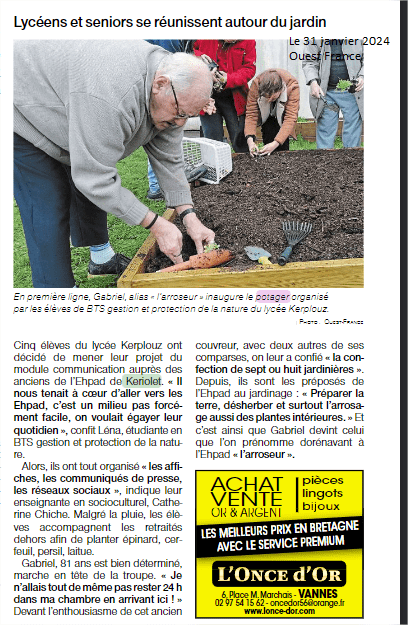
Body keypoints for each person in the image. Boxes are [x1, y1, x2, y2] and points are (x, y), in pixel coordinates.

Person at [14, 41, 215, 288]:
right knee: (47, 203)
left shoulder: (173, 95)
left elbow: (170, 160)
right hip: (24, 108)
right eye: (179, 112)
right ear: (159, 84)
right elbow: (95, 178)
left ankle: (100, 261)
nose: (180, 122)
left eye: (187, 115)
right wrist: (156, 224)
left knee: (92, 166)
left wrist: (188, 215)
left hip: (74, 99)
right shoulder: (109, 96)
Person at [144, 40, 208, 201]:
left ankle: (163, 185)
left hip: (158, 87)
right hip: (157, 92)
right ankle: (157, 187)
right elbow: (172, 69)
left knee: (164, 137)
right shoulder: (170, 38)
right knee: (160, 139)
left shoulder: (183, 39)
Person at [193, 40, 256, 153]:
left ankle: (246, 168)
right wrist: (198, 57)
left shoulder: (248, 40)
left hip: (235, 98)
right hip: (208, 98)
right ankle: (215, 169)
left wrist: (229, 78)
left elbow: (249, 68)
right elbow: (187, 50)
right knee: (212, 141)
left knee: (240, 142)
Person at [302, 39, 364, 149]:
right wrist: (313, 82)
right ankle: (324, 164)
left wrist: (362, 76)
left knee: (352, 133)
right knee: (326, 130)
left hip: (352, 92)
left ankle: (351, 163)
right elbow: (309, 61)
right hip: (326, 92)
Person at [244, 69, 300, 157]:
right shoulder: (256, 85)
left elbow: (290, 118)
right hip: (266, 113)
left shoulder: (292, 86)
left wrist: (275, 143)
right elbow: (251, 113)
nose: (270, 99)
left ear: (280, 89)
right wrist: (250, 141)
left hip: (283, 114)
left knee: (282, 145)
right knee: (268, 130)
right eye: (267, 97)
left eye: (272, 98)